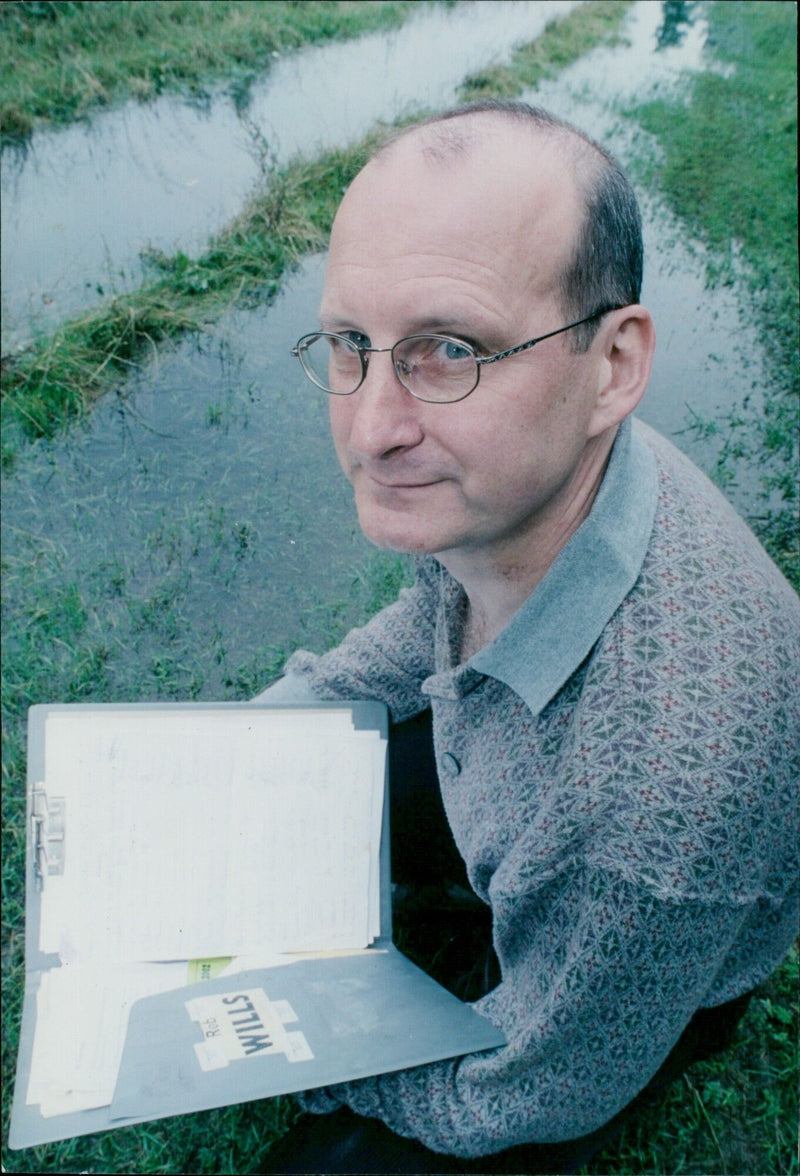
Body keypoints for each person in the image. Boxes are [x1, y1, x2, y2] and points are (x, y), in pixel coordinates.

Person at [255, 101, 800, 1173]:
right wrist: (249, 743)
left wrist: (299, 1052)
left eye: (447, 350)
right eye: (349, 344)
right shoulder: (531, 478)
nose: (372, 430)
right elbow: (431, 612)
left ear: (612, 364)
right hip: (533, 786)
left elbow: (532, 1089)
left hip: (638, 963)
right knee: (277, 777)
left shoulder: (644, 809)